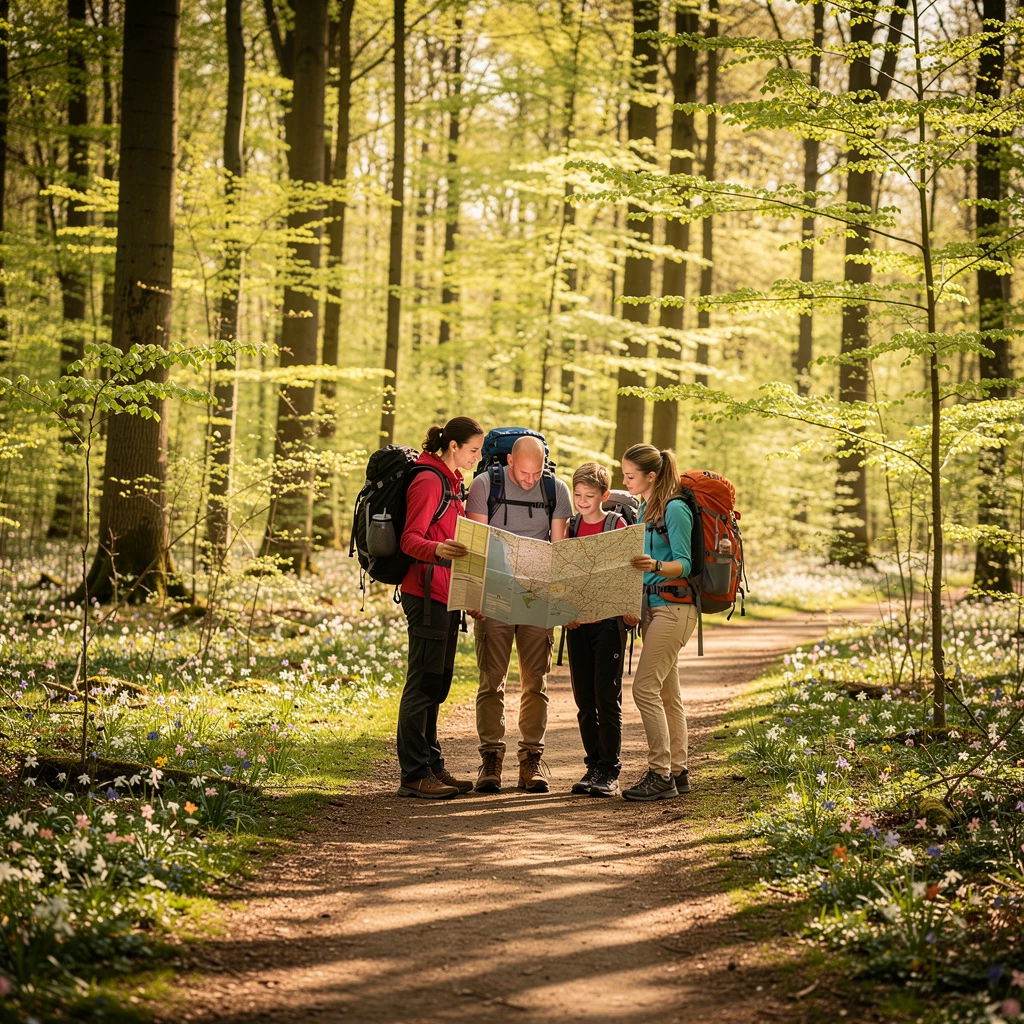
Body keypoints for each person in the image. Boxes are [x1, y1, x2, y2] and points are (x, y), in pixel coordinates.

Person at [466, 435, 573, 793]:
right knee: (491, 679)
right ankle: (491, 759)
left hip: (536, 596)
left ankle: (530, 760)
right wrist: (473, 594)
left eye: (536, 473)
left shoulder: (556, 489)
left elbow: (559, 551)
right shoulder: (484, 486)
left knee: (535, 681)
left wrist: (561, 599)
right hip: (494, 595)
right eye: (524, 473)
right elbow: (475, 545)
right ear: (510, 461)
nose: (530, 481)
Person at [396, 416, 485, 799]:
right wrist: (437, 549)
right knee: (423, 682)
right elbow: (409, 539)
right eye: (473, 450)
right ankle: (413, 774)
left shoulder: (453, 483)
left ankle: (432, 765)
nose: (476, 457)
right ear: (453, 446)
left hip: (447, 595)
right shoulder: (429, 480)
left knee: (438, 682)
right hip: (424, 592)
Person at [620, 444, 695, 802]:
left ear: (651, 476)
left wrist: (655, 567)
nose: (625, 481)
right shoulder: (643, 510)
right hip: (652, 608)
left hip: (675, 608)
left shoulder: (676, 509)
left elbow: (686, 563)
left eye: (630, 476)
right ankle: (678, 772)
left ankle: (659, 772)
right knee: (667, 693)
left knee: (643, 688)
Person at [563, 462, 640, 798]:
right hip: (578, 623)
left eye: (589, 495)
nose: (582, 500)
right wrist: (565, 610)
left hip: (608, 623)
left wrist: (630, 609)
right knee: (584, 700)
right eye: (577, 494)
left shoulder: (616, 524)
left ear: (604, 496)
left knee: (607, 698)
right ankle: (593, 765)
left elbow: (630, 570)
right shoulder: (571, 525)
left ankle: (610, 770)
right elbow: (564, 572)